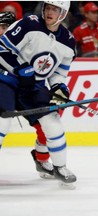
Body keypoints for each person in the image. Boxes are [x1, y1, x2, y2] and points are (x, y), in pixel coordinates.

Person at [0, 1, 76, 184]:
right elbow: (2, 49)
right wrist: (20, 68)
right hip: (6, 79)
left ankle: (59, 166)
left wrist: (59, 87)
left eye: (55, 9)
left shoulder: (68, 41)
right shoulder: (29, 24)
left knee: (52, 121)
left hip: (33, 86)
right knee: (2, 121)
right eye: (48, 7)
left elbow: (59, 73)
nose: (49, 12)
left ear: (63, 13)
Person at [0, 11, 54, 179]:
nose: (2, 31)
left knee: (46, 123)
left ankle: (42, 160)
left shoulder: (27, 44)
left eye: (5, 27)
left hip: (24, 91)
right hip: (4, 90)